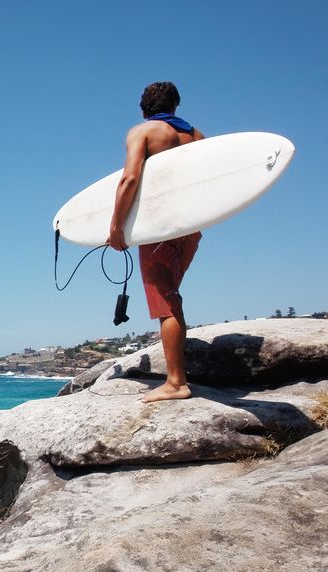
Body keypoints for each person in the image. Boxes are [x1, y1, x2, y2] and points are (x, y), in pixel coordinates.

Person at [107, 81, 204, 403]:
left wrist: (116, 227)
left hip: (161, 226)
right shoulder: (197, 136)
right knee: (171, 295)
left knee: (165, 302)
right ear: (175, 105)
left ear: (143, 108)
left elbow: (130, 178)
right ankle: (177, 376)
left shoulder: (144, 133)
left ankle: (176, 382)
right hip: (190, 226)